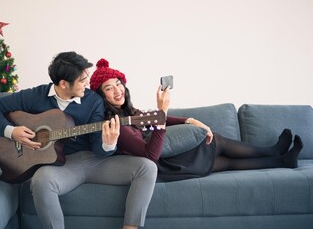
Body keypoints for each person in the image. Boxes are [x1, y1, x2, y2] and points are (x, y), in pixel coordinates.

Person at [0, 51, 157, 229]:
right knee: (41, 180)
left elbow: (99, 148)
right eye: (82, 80)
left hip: (94, 160)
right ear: (64, 84)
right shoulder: (36, 96)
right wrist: (12, 131)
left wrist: (108, 143)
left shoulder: (93, 100)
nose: (87, 83)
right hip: (62, 166)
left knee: (147, 167)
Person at [89, 58, 303, 182]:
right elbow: (150, 155)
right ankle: (274, 151)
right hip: (164, 166)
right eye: (109, 88)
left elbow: (156, 119)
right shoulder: (115, 125)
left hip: (169, 159)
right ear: (101, 95)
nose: (117, 90)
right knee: (216, 142)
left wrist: (190, 120)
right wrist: (162, 113)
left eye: (118, 83)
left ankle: (282, 160)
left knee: (226, 162)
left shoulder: (128, 111)